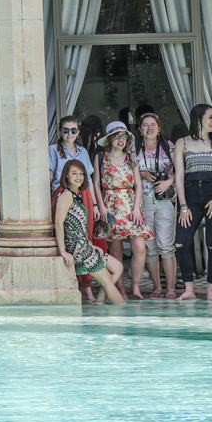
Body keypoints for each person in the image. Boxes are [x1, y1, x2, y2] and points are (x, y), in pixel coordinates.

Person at [174, 103, 212, 303]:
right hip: (190, 195)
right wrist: (183, 205)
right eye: (210, 117)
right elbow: (179, 176)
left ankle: (210, 290)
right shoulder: (181, 142)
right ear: (199, 120)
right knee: (181, 242)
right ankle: (189, 288)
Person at [54, 161, 126, 303]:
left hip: (85, 246)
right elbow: (58, 223)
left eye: (81, 174)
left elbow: (78, 226)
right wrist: (63, 251)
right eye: (74, 173)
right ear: (66, 176)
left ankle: (99, 304)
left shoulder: (76, 195)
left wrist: (90, 245)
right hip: (78, 250)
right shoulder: (66, 195)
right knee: (107, 282)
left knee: (118, 267)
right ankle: (122, 315)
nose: (79, 177)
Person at [96, 121, 152, 297]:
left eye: (124, 136)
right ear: (109, 139)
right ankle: (121, 289)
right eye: (117, 136)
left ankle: (135, 286)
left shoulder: (131, 158)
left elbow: (138, 185)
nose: (121, 140)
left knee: (139, 246)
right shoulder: (100, 157)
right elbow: (96, 185)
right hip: (111, 205)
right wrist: (102, 207)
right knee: (116, 251)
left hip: (130, 206)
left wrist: (136, 208)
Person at [136, 112, 179, 299]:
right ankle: (157, 287)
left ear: (159, 129)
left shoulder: (168, 146)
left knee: (166, 245)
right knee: (150, 246)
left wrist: (169, 182)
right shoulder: (134, 148)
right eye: (145, 125)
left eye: (153, 124)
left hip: (164, 200)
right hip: (143, 200)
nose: (149, 128)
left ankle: (170, 287)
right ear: (139, 129)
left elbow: (182, 171)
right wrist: (142, 173)